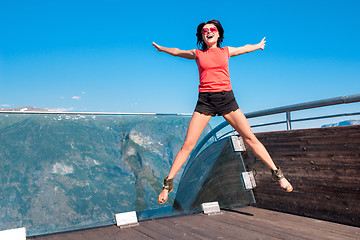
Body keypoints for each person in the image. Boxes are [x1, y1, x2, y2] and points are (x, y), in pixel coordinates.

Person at [153, 19, 293, 204]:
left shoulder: (226, 51)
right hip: (205, 102)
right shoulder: (197, 53)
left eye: (212, 29)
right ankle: (167, 186)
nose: (208, 32)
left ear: (218, 34)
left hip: (227, 99)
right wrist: (163, 49)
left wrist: (258, 45)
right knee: (188, 145)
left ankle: (278, 175)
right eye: (204, 31)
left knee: (250, 138)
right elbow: (178, 52)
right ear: (201, 36)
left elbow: (245, 48)